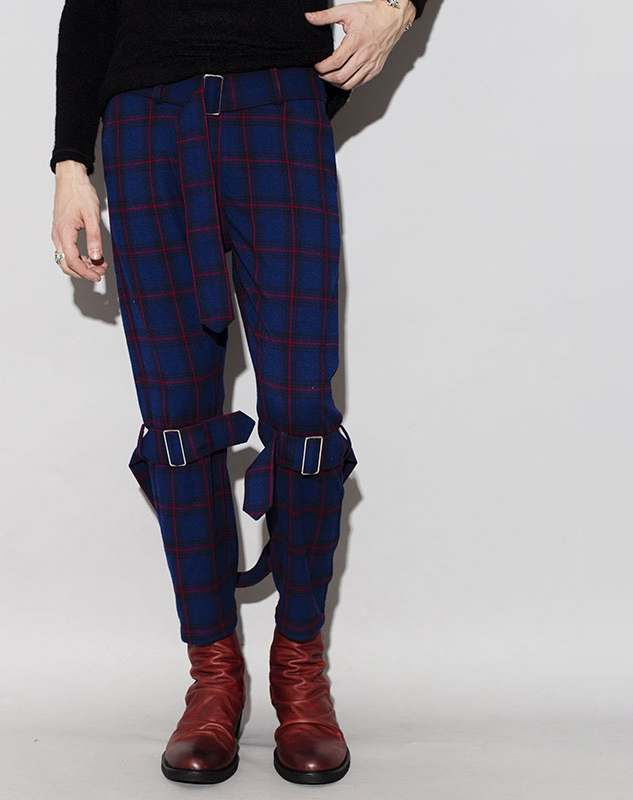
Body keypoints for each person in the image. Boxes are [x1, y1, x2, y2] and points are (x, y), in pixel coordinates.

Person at [49, 0, 426, 786]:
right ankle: (213, 675)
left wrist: (399, 8)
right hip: (145, 118)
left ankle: (300, 672)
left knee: (305, 418)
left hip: (277, 102)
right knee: (175, 420)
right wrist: (71, 161)